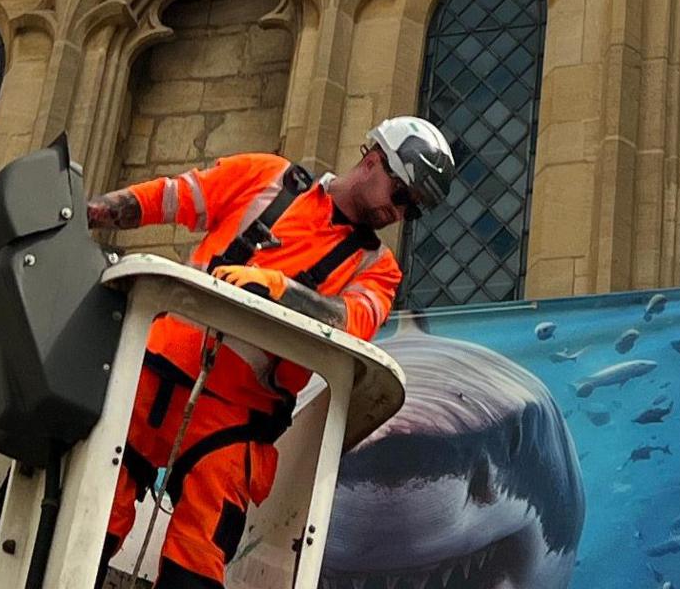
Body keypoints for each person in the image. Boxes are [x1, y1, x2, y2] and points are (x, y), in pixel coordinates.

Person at [82, 117, 455, 589]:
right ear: (373, 161)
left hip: (234, 420)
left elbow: (354, 322)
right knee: (90, 518)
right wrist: (86, 213)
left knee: (200, 555)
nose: (399, 213)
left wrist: (280, 289)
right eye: (401, 196)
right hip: (152, 375)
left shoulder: (377, 269)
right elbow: (171, 197)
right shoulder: (266, 179)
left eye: (413, 211)